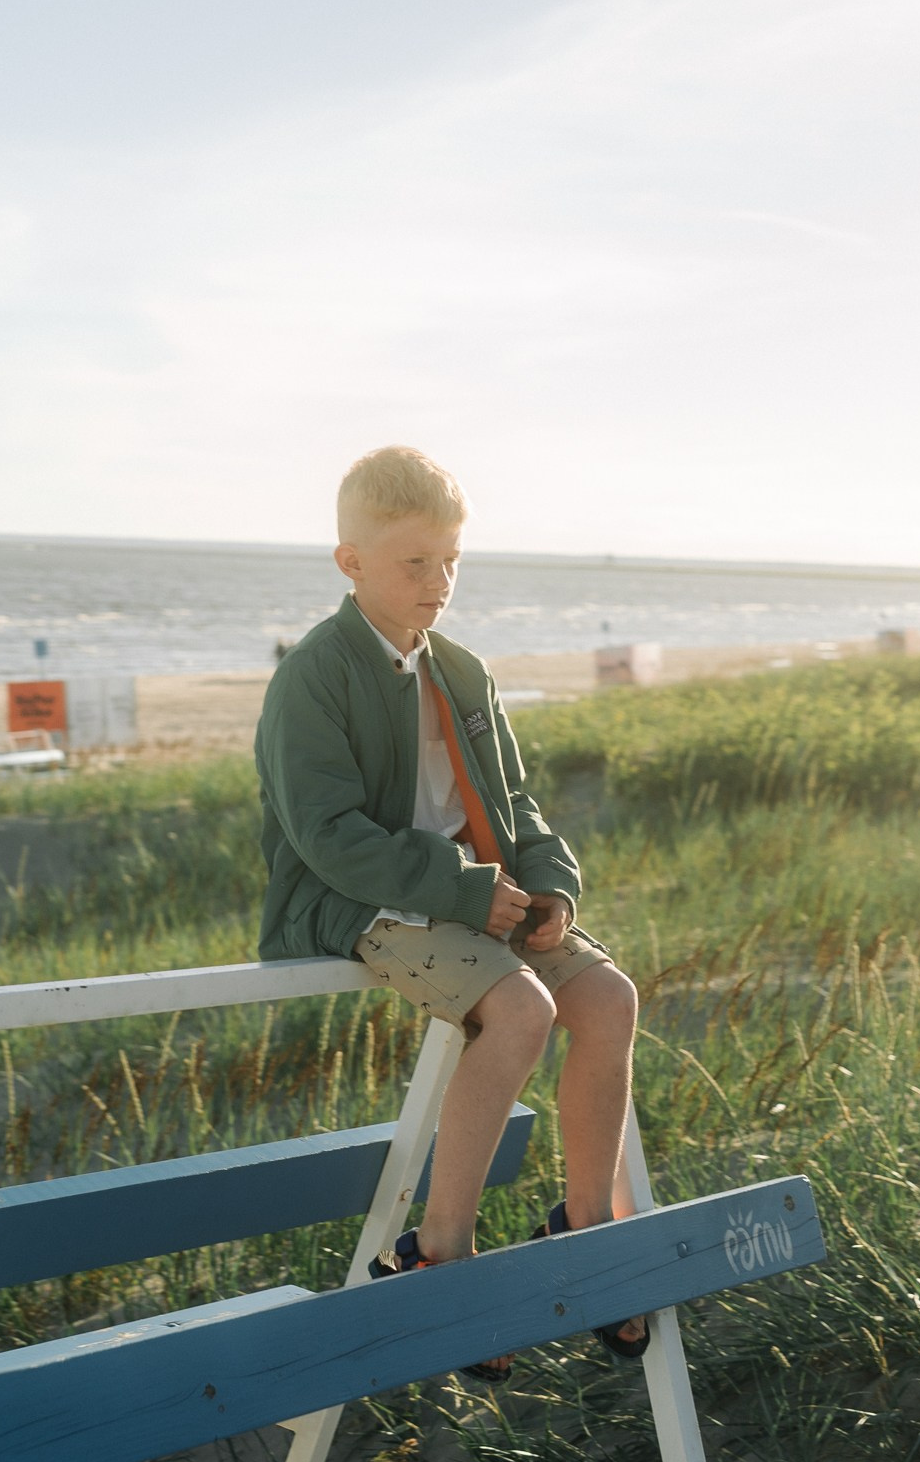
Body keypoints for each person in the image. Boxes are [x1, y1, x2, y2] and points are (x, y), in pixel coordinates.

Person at [253, 446, 644, 1380]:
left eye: (451, 560)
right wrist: (467, 890)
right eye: (414, 562)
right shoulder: (314, 674)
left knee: (609, 997)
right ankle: (439, 1254)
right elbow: (327, 835)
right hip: (363, 901)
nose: (439, 582)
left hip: (481, 899)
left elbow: (520, 805)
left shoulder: (463, 671)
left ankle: (586, 1222)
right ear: (351, 562)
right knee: (521, 1010)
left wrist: (550, 887)